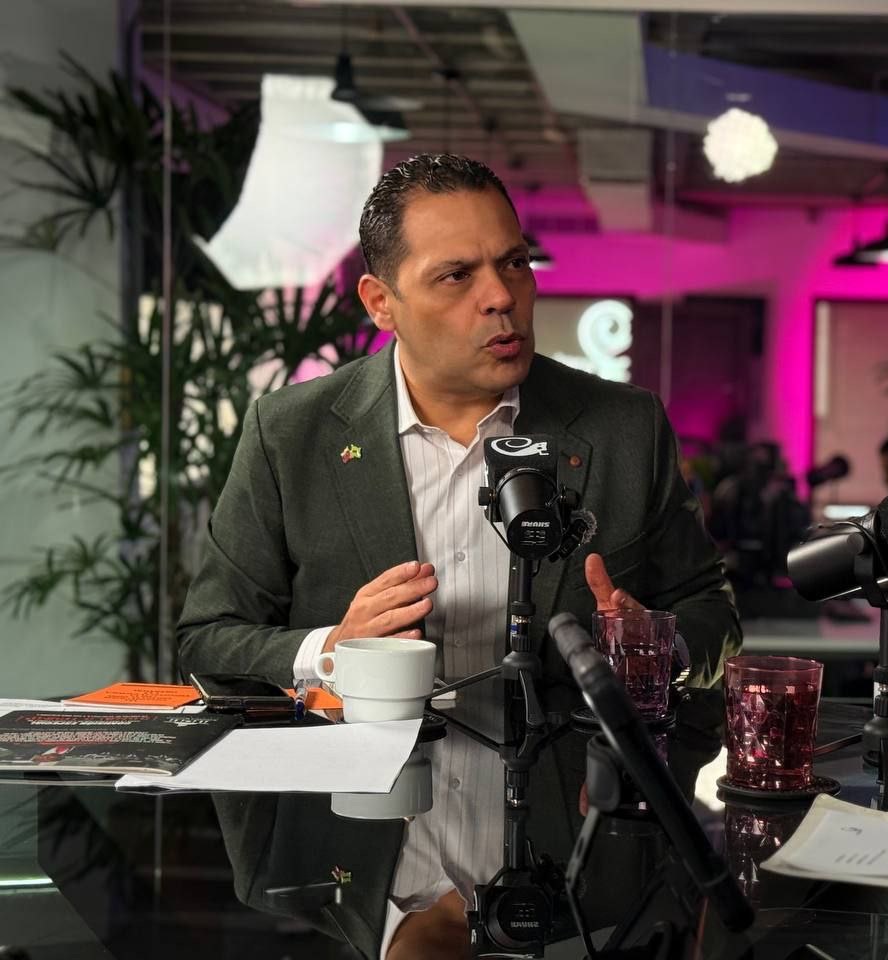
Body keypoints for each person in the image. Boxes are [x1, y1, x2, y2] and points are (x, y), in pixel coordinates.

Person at [177, 154, 740, 959]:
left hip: (579, 864)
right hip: (352, 836)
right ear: (381, 303)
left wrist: (656, 643)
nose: (501, 296)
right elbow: (209, 638)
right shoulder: (289, 434)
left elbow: (713, 611)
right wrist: (329, 652)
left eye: (514, 262)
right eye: (456, 276)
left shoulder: (624, 428)